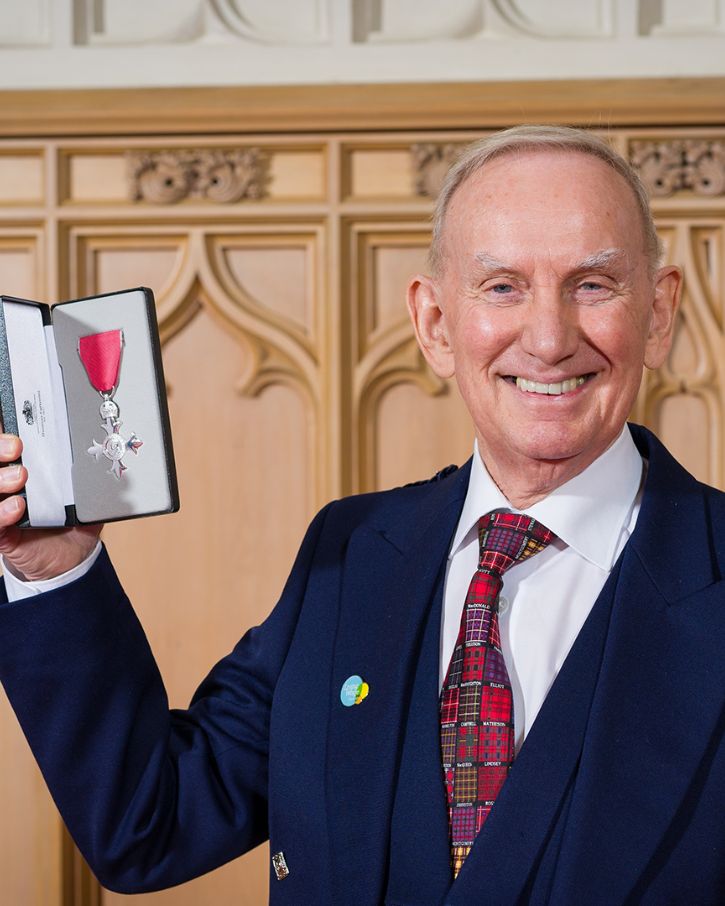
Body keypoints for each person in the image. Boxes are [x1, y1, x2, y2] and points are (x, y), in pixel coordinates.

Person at [0, 124, 724, 906]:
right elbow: (150, 825)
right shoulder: (348, 554)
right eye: (501, 287)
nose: (547, 339)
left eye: (592, 284)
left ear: (657, 314)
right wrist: (53, 567)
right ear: (435, 325)